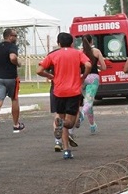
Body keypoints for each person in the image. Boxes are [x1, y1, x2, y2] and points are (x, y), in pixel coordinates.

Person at [37, 32, 91, 160]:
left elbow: (39, 70)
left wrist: (50, 76)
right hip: (73, 92)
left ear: (58, 43)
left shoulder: (53, 55)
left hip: (58, 91)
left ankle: (66, 149)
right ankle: (62, 125)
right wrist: (83, 76)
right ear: (72, 43)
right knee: (70, 123)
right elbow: (88, 65)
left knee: (60, 117)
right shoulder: (78, 53)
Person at [0, 28, 24, 139]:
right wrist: (17, 63)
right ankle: (16, 124)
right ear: (9, 36)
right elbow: (12, 57)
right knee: (14, 99)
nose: (16, 38)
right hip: (11, 78)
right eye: (15, 36)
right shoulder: (12, 47)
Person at [79, 34, 107, 134]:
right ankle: (81, 114)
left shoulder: (79, 53)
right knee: (89, 102)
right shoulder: (96, 52)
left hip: (82, 78)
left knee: (87, 102)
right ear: (92, 42)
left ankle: (92, 125)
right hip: (93, 77)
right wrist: (97, 67)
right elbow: (104, 67)